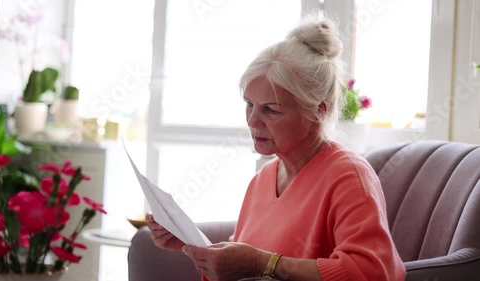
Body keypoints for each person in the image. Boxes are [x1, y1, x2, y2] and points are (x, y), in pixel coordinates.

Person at [147, 16, 406, 281]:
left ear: (317, 112)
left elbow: (372, 272)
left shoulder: (349, 177)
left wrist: (263, 263)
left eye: (270, 110)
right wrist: (191, 245)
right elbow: (242, 263)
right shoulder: (263, 178)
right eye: (249, 104)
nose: (252, 121)